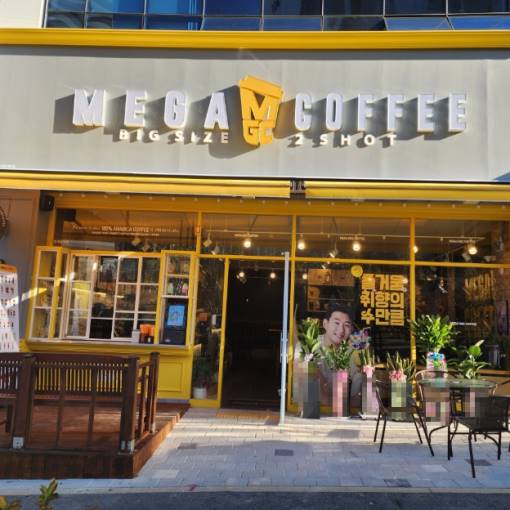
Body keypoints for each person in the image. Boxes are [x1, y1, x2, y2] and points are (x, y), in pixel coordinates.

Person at [319, 303, 363, 410]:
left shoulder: (351, 352)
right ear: (325, 324)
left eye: (346, 325)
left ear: (351, 329)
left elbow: (357, 381)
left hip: (342, 409)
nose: (341, 330)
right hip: (317, 409)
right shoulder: (309, 347)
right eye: (337, 323)